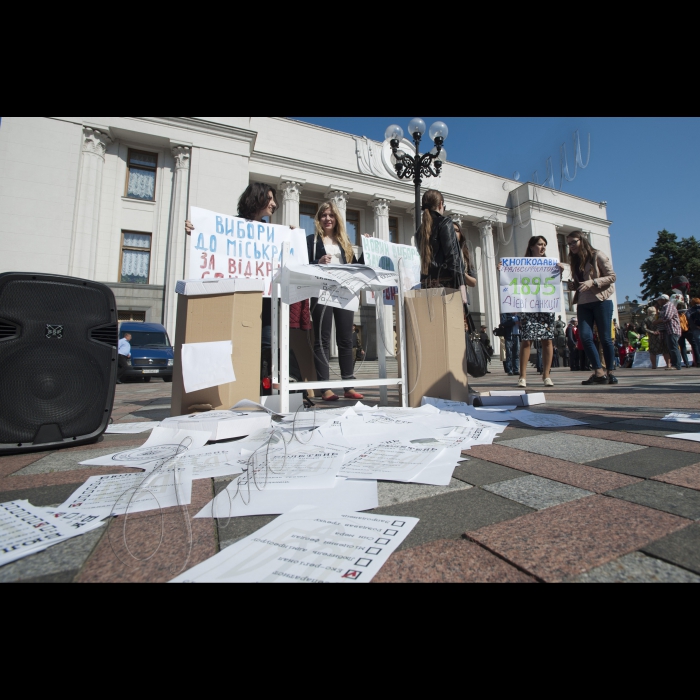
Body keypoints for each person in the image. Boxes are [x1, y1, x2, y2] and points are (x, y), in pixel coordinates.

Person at [185, 183, 283, 385]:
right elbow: (213, 241)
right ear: (258, 198)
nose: (274, 204)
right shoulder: (231, 226)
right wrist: (196, 230)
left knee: (267, 343)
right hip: (240, 300)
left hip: (265, 302)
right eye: (270, 198)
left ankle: (261, 386)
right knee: (239, 342)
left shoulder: (271, 232)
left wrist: (291, 237)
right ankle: (239, 385)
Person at [308, 201, 365, 401]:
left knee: (346, 340)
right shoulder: (312, 241)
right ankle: (325, 388)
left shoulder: (345, 242)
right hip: (321, 292)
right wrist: (317, 262)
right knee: (322, 340)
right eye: (323, 215)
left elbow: (357, 266)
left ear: (336, 219)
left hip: (344, 293)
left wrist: (366, 249)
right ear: (318, 219)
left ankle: (348, 386)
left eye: (331, 215)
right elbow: (303, 264)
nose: (327, 219)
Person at [497, 236, 565, 387]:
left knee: (547, 340)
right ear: (532, 246)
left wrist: (559, 272)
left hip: (546, 307)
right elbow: (511, 280)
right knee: (526, 340)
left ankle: (546, 375)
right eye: (540, 244)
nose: (543, 247)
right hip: (529, 307)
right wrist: (503, 269)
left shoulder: (550, 264)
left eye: (545, 245)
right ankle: (522, 376)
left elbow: (554, 285)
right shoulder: (521, 264)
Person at [566, 231, 618, 386]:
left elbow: (612, 277)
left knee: (605, 338)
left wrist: (593, 282)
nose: (571, 246)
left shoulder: (597, 255)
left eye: (573, 242)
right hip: (583, 303)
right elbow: (580, 283)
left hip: (601, 301)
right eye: (568, 244)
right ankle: (598, 372)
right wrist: (573, 286)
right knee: (585, 337)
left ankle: (610, 372)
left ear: (582, 240)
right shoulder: (574, 260)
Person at [417, 189, 465, 294]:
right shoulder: (445, 223)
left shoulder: (420, 231)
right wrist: (461, 283)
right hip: (447, 286)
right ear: (441, 204)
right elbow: (453, 256)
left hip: (426, 287)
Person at [656, 293, 683, 371]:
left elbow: (667, 317)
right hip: (669, 330)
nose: (658, 302)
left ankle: (676, 365)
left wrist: (657, 321)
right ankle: (675, 364)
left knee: (673, 347)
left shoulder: (668, 306)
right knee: (672, 347)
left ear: (663, 300)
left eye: (659, 300)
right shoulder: (665, 307)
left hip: (672, 329)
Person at [453, 221, 477, 300]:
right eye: (451, 230)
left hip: (462, 297)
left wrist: (461, 273)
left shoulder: (465, 254)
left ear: (460, 235)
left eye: (456, 230)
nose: (454, 233)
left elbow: (473, 282)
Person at [686, 297, 700, 367]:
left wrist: (695, 326)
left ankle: (698, 361)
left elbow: (689, 319)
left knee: (697, 345)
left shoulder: (690, 310)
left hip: (695, 329)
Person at [677, 302, 692, 368]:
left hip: (680, 331)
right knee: (694, 345)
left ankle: (686, 363)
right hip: (687, 330)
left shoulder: (676, 314)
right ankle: (695, 361)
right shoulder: (686, 313)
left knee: (682, 347)